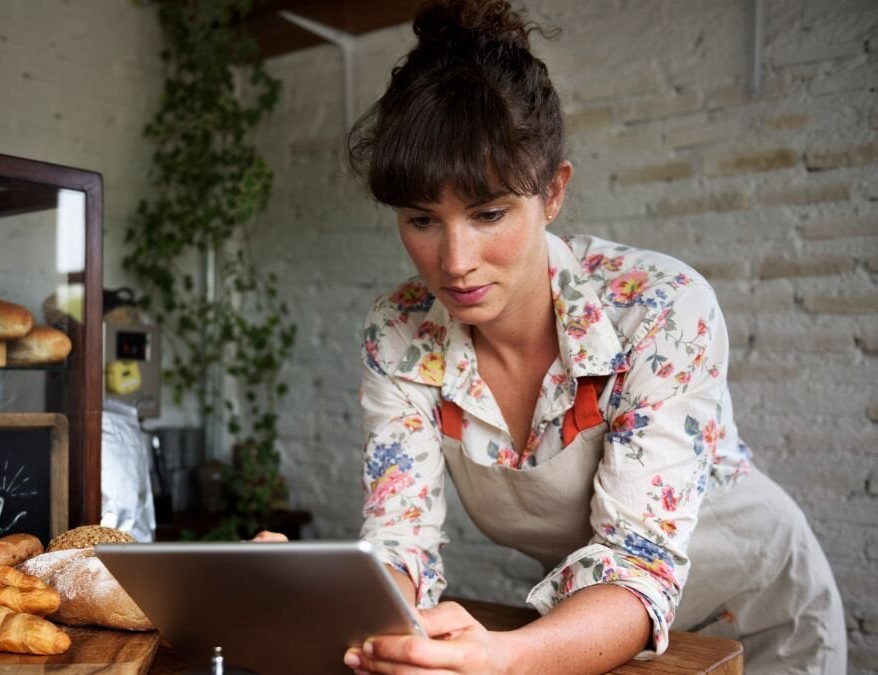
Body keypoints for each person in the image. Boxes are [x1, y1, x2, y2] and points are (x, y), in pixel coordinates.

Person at [278, 1, 846, 673]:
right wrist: (332, 600)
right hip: (582, 628)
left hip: (755, 615)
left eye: (489, 213)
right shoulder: (400, 332)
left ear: (553, 193)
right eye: (421, 219)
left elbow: (636, 560)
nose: (455, 260)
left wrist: (505, 657)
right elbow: (401, 541)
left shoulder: (661, 308)